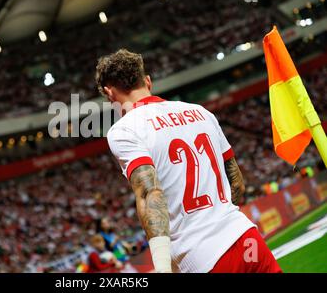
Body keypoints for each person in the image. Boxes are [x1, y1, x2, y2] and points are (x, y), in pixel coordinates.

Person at [95, 49, 282, 273]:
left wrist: (163, 268)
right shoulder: (201, 112)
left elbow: (149, 194)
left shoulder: (124, 130)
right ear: (148, 81)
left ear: (109, 93)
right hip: (246, 237)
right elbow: (237, 183)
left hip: (203, 256)